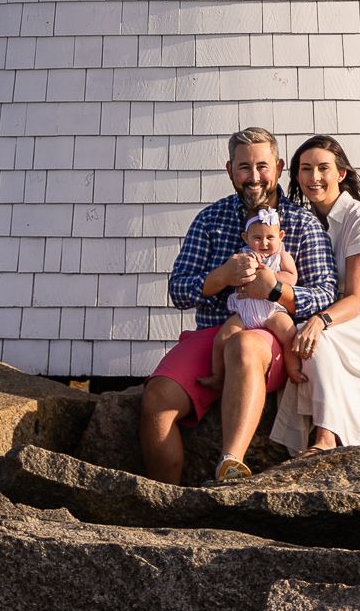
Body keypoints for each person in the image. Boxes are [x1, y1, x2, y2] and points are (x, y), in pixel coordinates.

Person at [141, 126, 335, 484]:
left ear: (278, 167)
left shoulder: (302, 224)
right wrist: (221, 277)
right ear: (230, 170)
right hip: (216, 332)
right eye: (244, 167)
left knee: (244, 346)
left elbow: (325, 293)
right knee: (157, 398)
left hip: (270, 335)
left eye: (262, 166)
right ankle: (163, 499)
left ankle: (230, 464)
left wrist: (275, 290)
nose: (254, 176)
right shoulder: (210, 220)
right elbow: (178, 291)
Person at [271, 135, 360, 454]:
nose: (314, 177)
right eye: (305, 169)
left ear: (341, 173)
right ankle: (309, 441)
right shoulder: (306, 223)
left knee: (316, 339)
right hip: (347, 321)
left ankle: (326, 438)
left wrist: (319, 321)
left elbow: (354, 298)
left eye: (323, 168)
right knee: (303, 338)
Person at [203, 207, 305, 393]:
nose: (264, 243)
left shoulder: (282, 256)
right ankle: (218, 376)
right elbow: (233, 274)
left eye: (270, 237)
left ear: (281, 236)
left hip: (272, 311)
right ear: (246, 238)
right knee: (221, 338)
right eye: (257, 238)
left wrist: (271, 277)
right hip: (244, 313)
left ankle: (293, 370)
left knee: (290, 334)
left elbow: (292, 277)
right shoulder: (242, 256)